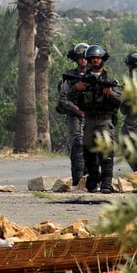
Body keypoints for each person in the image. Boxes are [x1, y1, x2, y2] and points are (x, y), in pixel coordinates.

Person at [67, 44, 123, 194]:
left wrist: (109, 93)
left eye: (98, 58)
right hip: (90, 120)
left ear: (102, 59)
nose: (95, 61)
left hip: (105, 120)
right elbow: (69, 97)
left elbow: (120, 101)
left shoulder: (110, 79)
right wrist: (77, 88)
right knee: (89, 152)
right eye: (92, 59)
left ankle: (106, 183)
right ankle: (92, 180)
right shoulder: (83, 79)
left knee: (106, 153)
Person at [57, 42, 89, 186]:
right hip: (75, 115)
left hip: (92, 116)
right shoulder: (69, 78)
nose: (83, 60)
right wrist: (76, 108)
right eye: (80, 58)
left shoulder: (95, 75)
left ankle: (90, 179)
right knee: (78, 143)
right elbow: (63, 99)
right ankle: (77, 179)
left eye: (85, 57)